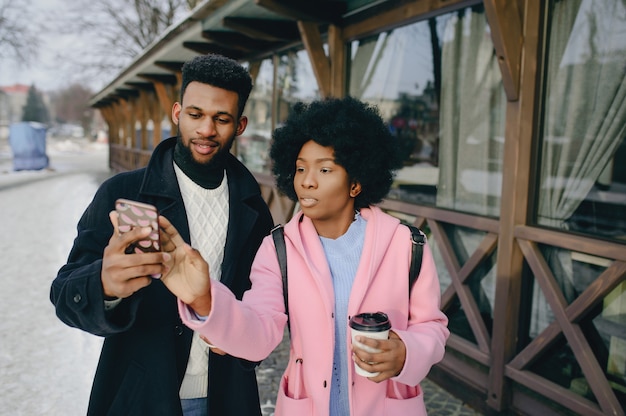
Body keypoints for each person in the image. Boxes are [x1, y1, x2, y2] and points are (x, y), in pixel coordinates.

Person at [158, 96, 450, 415]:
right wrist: (205, 300)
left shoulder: (407, 244)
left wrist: (406, 353)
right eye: (300, 169)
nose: (306, 181)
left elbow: (432, 327)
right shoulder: (279, 248)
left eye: (324, 169)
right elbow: (260, 331)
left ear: (355, 183)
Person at [50, 54, 273, 416]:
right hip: (140, 396)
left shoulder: (254, 208)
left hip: (227, 397)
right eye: (195, 114)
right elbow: (63, 295)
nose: (206, 130)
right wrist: (103, 286)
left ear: (241, 125)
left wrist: (242, 341)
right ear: (176, 112)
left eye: (221, 119)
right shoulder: (124, 192)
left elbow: (262, 306)